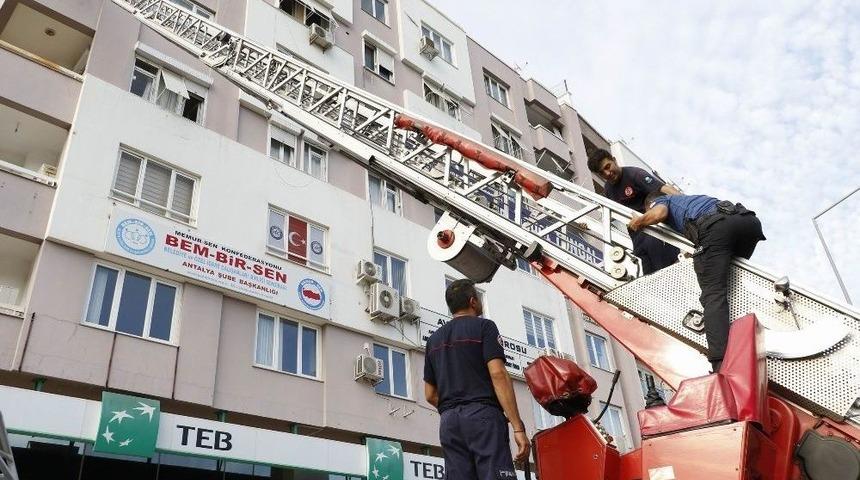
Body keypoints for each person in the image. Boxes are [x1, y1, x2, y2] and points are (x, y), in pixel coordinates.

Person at [629, 192, 766, 371]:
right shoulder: (691, 200)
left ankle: (722, 365)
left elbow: (659, 213)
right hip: (748, 223)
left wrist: (638, 222)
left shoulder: (661, 201)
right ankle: (743, 339)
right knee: (730, 285)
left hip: (718, 227)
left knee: (713, 294)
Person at [424, 279, 529, 480]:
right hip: (483, 417)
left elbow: (429, 394)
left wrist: (455, 409)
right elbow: (498, 374)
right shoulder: (485, 327)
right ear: (473, 301)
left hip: (449, 422)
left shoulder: (434, 340)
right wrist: (517, 427)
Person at [587, 149, 681, 274]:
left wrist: (689, 205)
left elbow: (664, 189)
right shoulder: (608, 189)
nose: (607, 173)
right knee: (649, 278)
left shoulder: (635, 174)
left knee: (668, 272)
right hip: (637, 239)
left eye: (608, 167)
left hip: (655, 231)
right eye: (602, 173)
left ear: (614, 160)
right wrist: (587, 224)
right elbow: (611, 216)